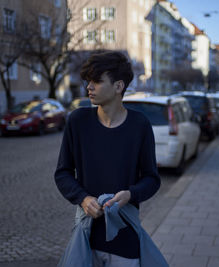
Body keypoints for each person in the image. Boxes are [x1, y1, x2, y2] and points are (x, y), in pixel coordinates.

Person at [54, 51, 161, 267]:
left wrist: (130, 194)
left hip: (125, 238)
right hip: (86, 238)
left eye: (96, 81)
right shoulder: (78, 121)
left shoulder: (139, 125)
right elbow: (63, 173)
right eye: (88, 81)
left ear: (119, 86)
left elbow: (152, 179)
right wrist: (83, 199)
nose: (89, 87)